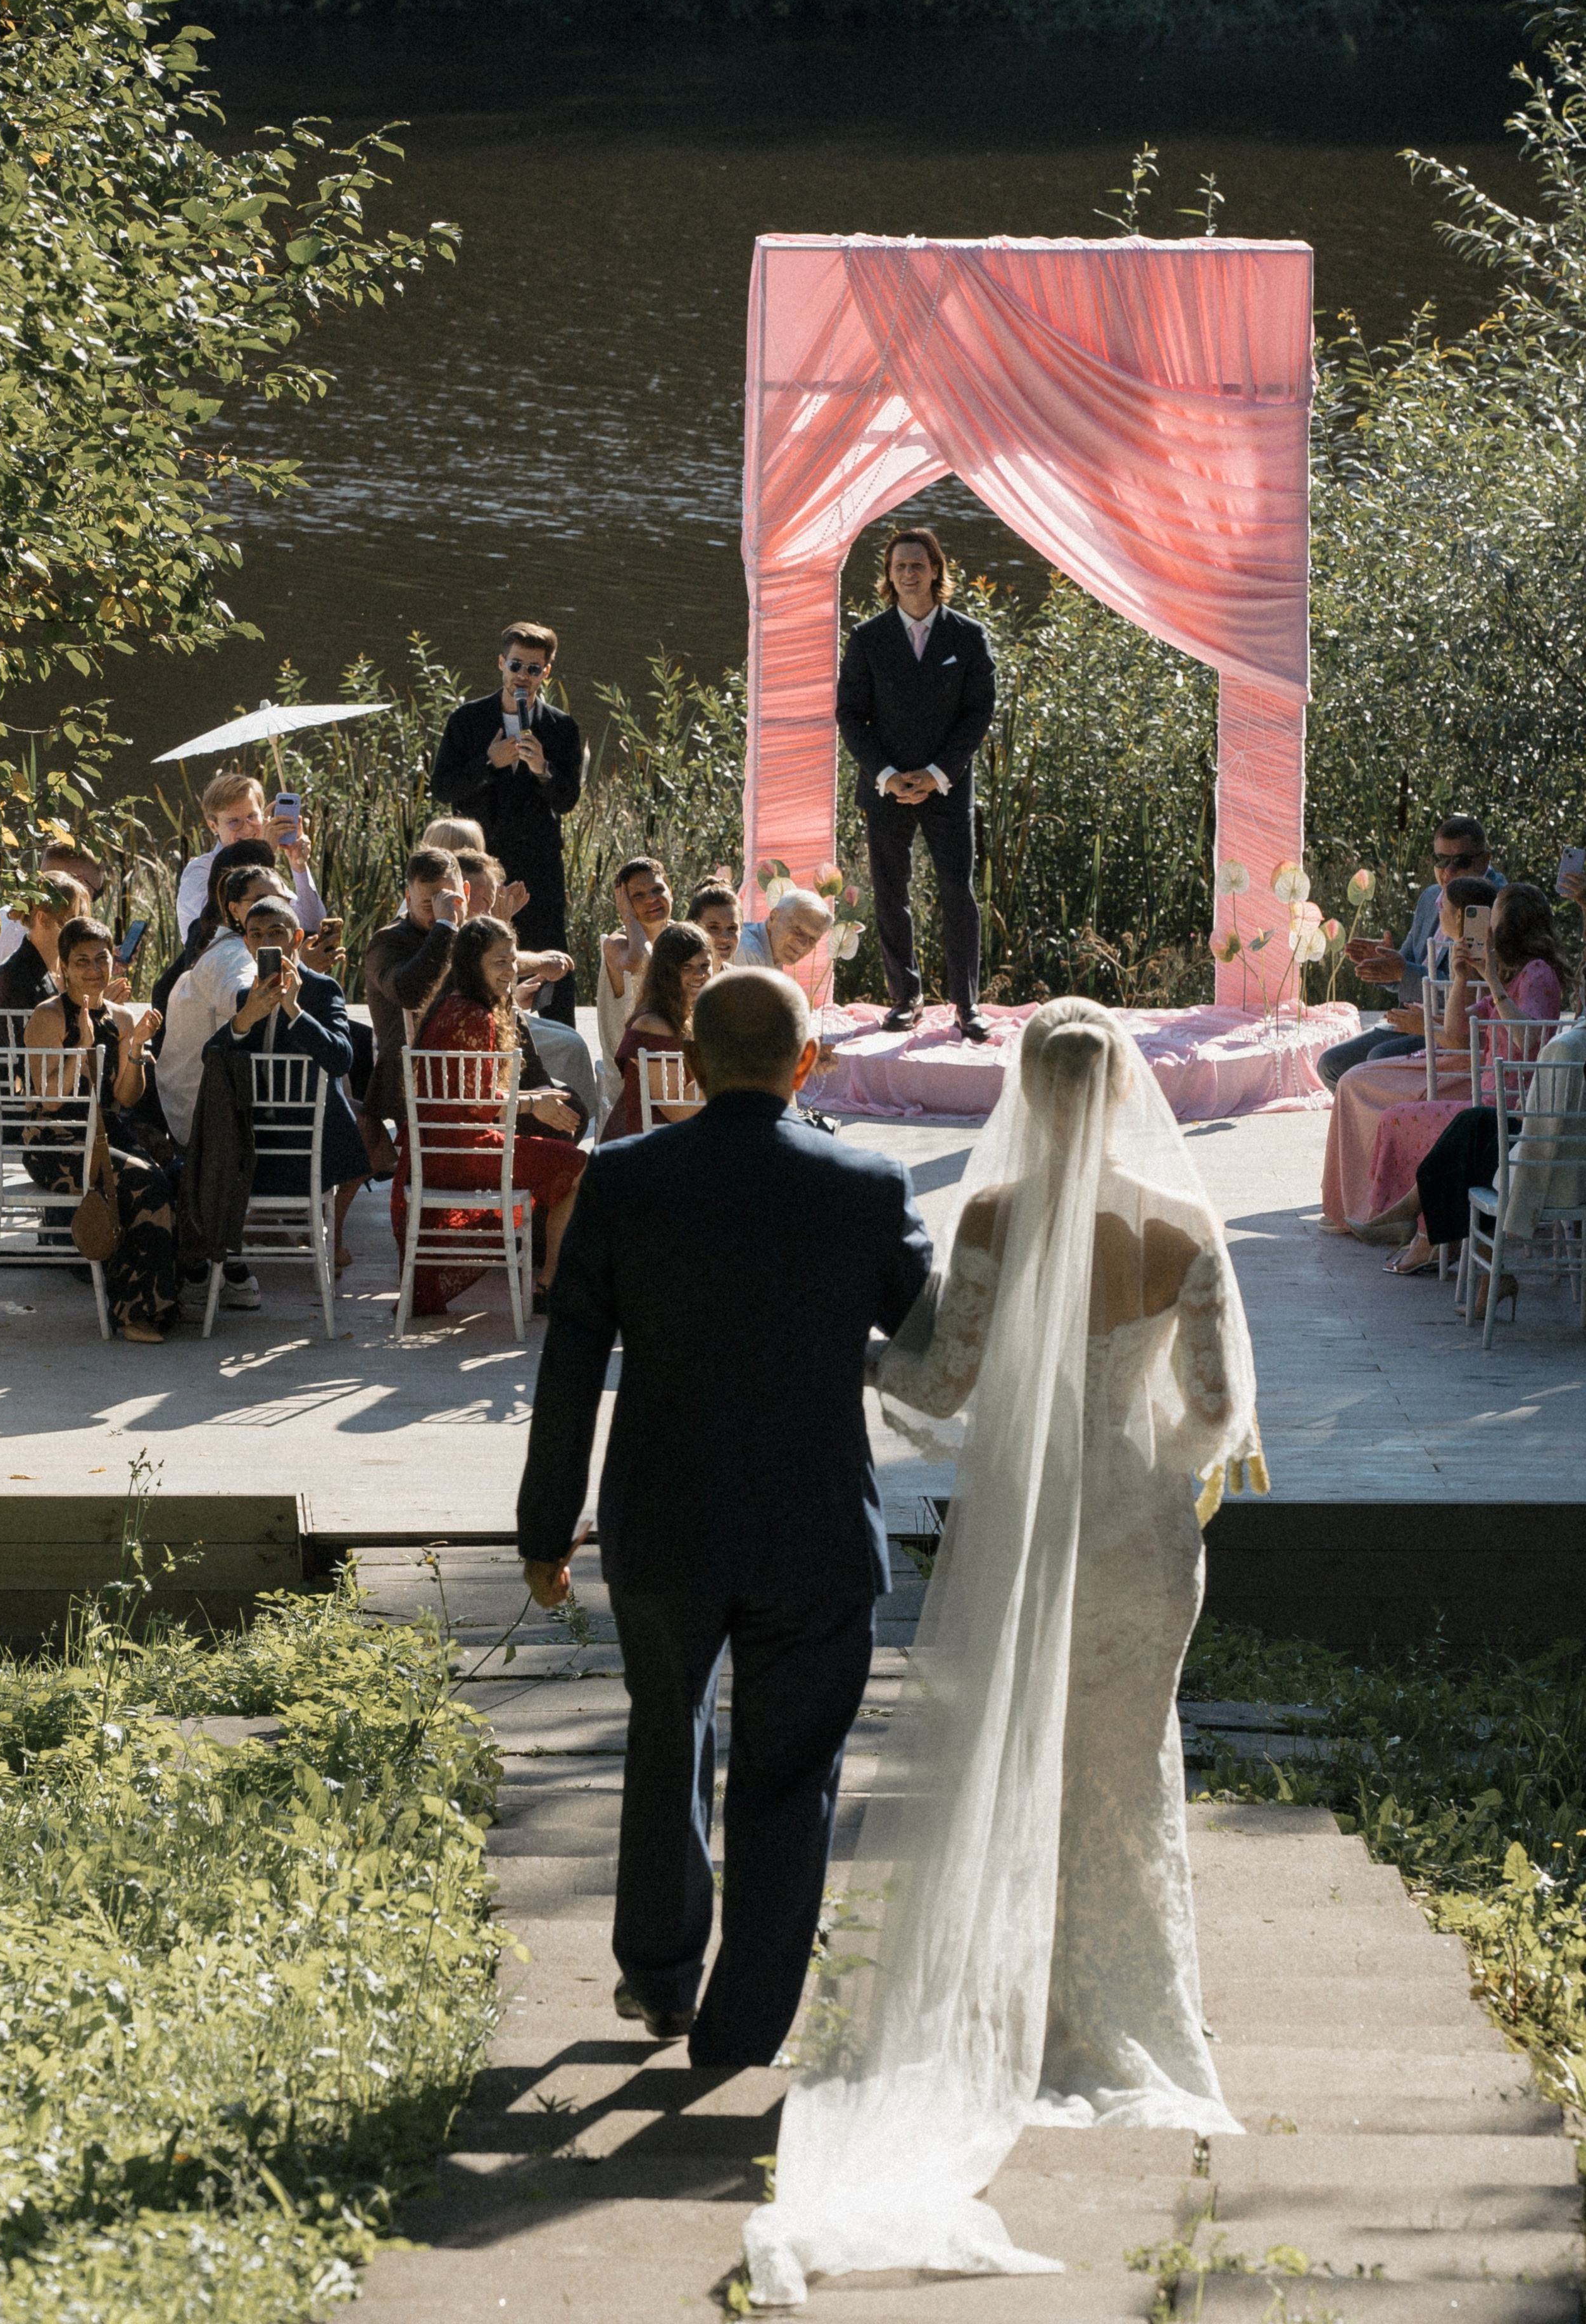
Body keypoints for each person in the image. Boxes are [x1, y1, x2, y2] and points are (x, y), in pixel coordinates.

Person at [741, 998, 1265, 2305]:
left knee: (996, 1754)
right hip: (1136, 1533)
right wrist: (1144, 1458)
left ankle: (1004, 2006)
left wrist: (848, 1354)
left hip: (1022, 1535)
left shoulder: (989, 1219)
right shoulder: (1180, 1227)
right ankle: (1123, 2016)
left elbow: (942, 1385)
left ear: (1026, 1090)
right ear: (1125, 1088)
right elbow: (1212, 1410)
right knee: (1120, 1765)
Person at [516, 969, 933, 2065]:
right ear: (808, 1064)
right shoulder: (869, 1188)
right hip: (815, 1524)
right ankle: (747, 2024)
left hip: (665, 1514)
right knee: (791, 1773)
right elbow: (937, 1344)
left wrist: (544, 1530)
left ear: (688, 1066)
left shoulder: (621, 1180)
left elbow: (569, 1368)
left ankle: (659, 1977)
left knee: (667, 1736)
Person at [1350, 882, 1572, 1281]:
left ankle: (1421, 1228)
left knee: (1418, 1122)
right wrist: (1461, 976)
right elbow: (1455, 1034)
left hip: (1521, 1110)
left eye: (1494, 913)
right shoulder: (1509, 975)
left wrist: (1493, 982)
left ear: (1513, 922)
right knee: (1405, 1119)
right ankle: (1422, 1231)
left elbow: (1533, 1040)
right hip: (1492, 1111)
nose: (1484, 922)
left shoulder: (1537, 974)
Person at [836, 526, 997, 1042]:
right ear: (889, 574)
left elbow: (979, 713)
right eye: (900, 565)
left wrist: (937, 774)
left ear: (936, 571)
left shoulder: (968, 637)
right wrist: (885, 776)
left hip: (947, 788)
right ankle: (905, 999)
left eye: (918, 565)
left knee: (958, 893)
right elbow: (850, 715)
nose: (909, 573)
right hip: (887, 788)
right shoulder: (867, 638)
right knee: (890, 894)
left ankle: (966, 1004)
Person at [392, 915, 587, 1317]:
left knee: (559, 1153)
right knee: (579, 1165)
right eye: (500, 962)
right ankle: (551, 1285)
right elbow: (478, 1103)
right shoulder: (476, 1016)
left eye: (513, 960)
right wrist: (536, 1104)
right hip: (466, 1157)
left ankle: (551, 1281)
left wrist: (534, 1094)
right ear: (472, 964)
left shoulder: (448, 1005)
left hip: (430, 1155)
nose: (511, 970)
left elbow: (467, 1094)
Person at [201, 895, 372, 1280]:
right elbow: (209, 1059)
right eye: (256, 935)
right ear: (246, 944)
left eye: (275, 933)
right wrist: (245, 1018)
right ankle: (214, 1272)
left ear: (296, 938)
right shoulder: (248, 994)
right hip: (255, 1145)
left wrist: (294, 1010)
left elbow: (341, 1059)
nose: (265, 943)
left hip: (311, 1150)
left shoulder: (322, 991)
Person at [22, 920, 175, 1343]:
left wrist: (138, 1047)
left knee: (170, 1174)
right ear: (65, 968)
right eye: (82, 961)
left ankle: (158, 1300)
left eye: (102, 958)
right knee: (142, 1183)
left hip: (106, 1134)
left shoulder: (122, 1017)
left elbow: (126, 1098)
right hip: (56, 1142)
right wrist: (80, 1051)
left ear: (114, 960)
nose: (94, 969)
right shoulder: (48, 1017)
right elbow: (50, 1102)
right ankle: (134, 1313)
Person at [429, 620, 583, 1024]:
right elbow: (443, 787)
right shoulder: (468, 720)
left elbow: (567, 801)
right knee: (477, 946)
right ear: (501, 663)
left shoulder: (561, 728)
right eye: (517, 666)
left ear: (546, 672)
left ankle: (556, 1034)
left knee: (546, 947)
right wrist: (488, 763)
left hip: (538, 861)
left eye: (534, 669)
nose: (523, 677)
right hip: (480, 858)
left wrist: (543, 768)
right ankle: (474, 1024)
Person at [1319, 815, 1504, 1091]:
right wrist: (1384, 961)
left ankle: (1400, 1130)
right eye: (1441, 860)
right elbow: (1404, 971)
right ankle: (1373, 1131)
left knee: (1378, 1061)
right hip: (1414, 1017)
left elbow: (1475, 992)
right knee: (1331, 1063)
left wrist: (1403, 972)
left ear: (1484, 860)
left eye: (1461, 861)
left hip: (1455, 1028)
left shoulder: (1493, 904)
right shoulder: (1432, 897)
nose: (1448, 870)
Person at [156, 862, 284, 1150]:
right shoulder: (233, 953)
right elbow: (240, 995)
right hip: (210, 1114)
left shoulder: (224, 946)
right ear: (235, 910)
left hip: (193, 1101)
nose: (273, 906)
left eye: (281, 899)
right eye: (261, 900)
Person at [0, 844, 108, 1081]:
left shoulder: (14, 916)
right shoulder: (23, 948)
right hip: (6, 1062)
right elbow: (40, 1020)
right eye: (74, 918)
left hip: (6, 1049)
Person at [361, 847, 468, 1125]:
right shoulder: (388, 943)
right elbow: (411, 994)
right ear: (409, 899)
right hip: (415, 1085)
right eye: (429, 904)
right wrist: (445, 925)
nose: (440, 910)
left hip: (472, 1072)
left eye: (449, 900)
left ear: (465, 892)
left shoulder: (470, 936)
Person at [174, 772, 324, 939]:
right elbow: (223, 927)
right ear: (213, 826)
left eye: (252, 817)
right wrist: (264, 852)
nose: (247, 829)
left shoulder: (268, 871)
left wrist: (299, 865)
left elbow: (313, 926)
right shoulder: (199, 871)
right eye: (234, 822)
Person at [600, 921, 712, 1142]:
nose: (700, 975)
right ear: (666, 973)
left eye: (704, 965)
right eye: (686, 967)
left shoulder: (689, 1017)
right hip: (648, 1150)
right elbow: (678, 1111)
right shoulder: (654, 1025)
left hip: (682, 1140)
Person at [596, 858, 672, 1103]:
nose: (651, 899)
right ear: (624, 903)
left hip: (677, 1064)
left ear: (671, 891)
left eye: (658, 890)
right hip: (631, 1075)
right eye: (638, 896)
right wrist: (629, 918)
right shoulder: (616, 945)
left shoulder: (680, 936)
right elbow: (640, 961)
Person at [0, 872, 92, 1047]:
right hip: (33, 1071)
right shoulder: (13, 974)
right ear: (43, 919)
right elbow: (29, 1051)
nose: (81, 933)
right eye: (73, 923)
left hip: (66, 1069)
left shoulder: (65, 967)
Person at [733, 887, 834, 976]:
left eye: (812, 939)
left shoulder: (773, 953)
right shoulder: (747, 951)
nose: (803, 944)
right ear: (774, 917)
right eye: (798, 930)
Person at [686, 880, 742, 971]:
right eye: (714, 928)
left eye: (732, 928)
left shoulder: (740, 981)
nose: (725, 938)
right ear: (693, 928)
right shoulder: (676, 979)